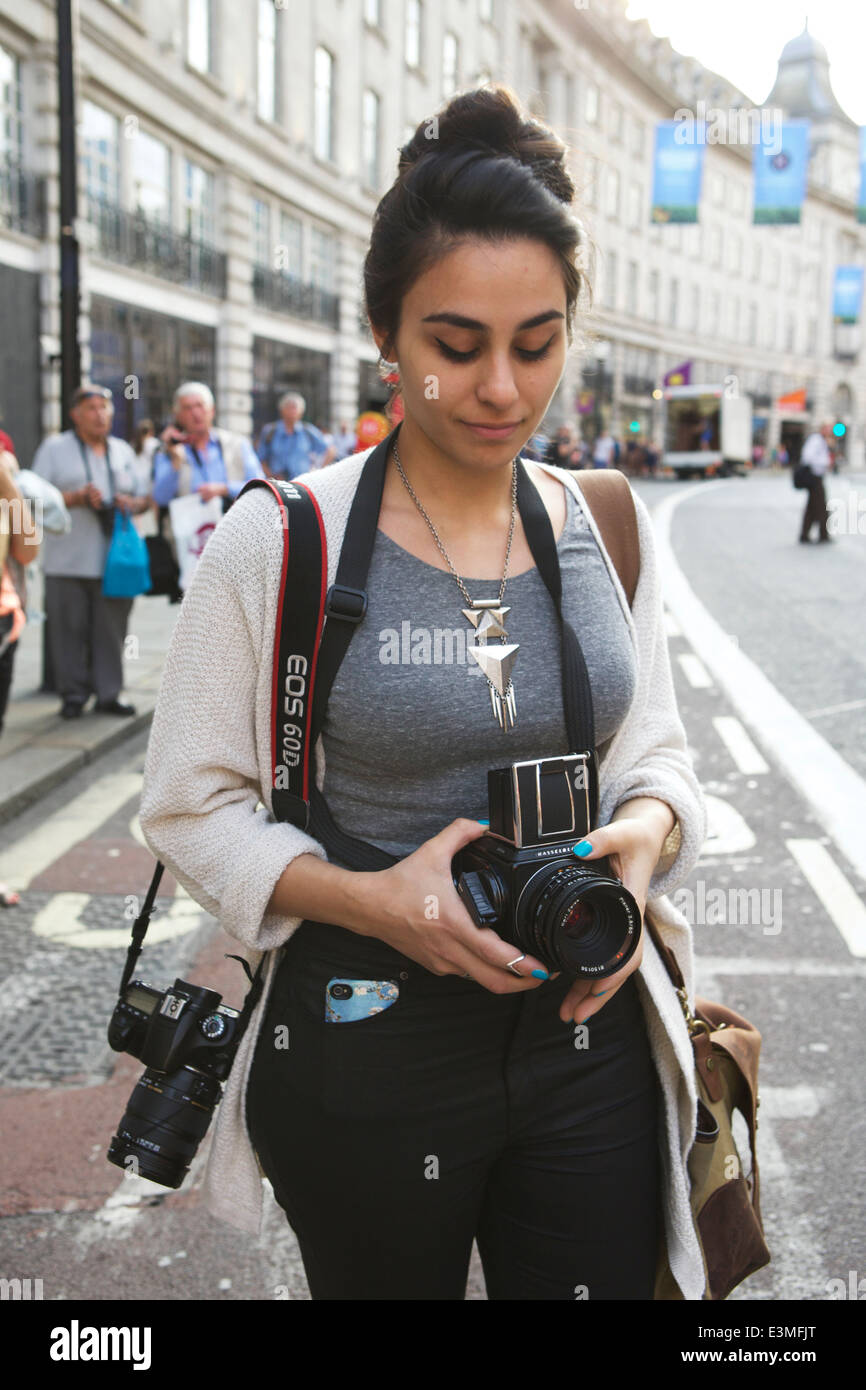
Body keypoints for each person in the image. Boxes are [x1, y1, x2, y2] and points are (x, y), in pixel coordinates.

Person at [139, 84, 707, 1301]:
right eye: (455, 346)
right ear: (386, 336)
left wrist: (643, 842)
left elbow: (654, 755)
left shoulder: (602, 521)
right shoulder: (280, 541)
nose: (500, 386)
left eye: (537, 342)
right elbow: (189, 805)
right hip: (363, 1043)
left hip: (584, 1030)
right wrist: (369, 897)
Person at [31, 384, 148, 719]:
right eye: (92, 408)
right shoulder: (55, 448)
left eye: (104, 408)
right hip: (67, 560)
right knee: (68, 631)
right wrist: (75, 498)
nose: (100, 415)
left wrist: (132, 503)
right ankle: (73, 694)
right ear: (75, 415)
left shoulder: (122, 450)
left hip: (116, 561)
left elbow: (144, 498)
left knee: (113, 631)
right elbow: (33, 499)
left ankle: (110, 693)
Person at [151, 382, 264, 511]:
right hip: (189, 528)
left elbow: (260, 486)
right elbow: (160, 498)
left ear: (212, 410)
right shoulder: (169, 450)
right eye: (187, 408)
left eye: (200, 405)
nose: (195, 413)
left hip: (233, 526)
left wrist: (224, 489)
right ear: (178, 416)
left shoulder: (236, 443)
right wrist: (175, 460)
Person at [256, 393, 337, 480]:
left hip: (302, 484)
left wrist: (318, 472)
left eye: (295, 408)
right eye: (288, 407)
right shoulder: (270, 431)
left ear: (301, 412)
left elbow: (331, 451)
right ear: (281, 410)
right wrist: (270, 476)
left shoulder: (308, 431)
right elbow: (261, 459)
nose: (292, 411)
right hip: (277, 485)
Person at [798, 421, 833, 544]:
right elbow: (808, 457)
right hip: (814, 477)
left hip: (817, 476)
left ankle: (804, 535)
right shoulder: (816, 440)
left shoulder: (821, 441)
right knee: (821, 507)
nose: (830, 432)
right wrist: (824, 463)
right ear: (822, 429)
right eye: (828, 429)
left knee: (812, 508)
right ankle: (823, 535)